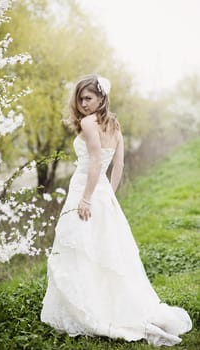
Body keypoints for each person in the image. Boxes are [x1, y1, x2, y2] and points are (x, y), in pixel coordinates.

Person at [40, 74, 192, 346]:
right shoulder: (114, 124)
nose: (83, 103)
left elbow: (97, 160)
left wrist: (87, 198)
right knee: (101, 249)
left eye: (88, 98)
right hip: (101, 192)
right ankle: (103, 303)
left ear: (101, 98)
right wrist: (107, 192)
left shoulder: (88, 123)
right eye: (80, 98)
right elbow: (118, 165)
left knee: (83, 248)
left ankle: (90, 308)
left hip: (85, 191)